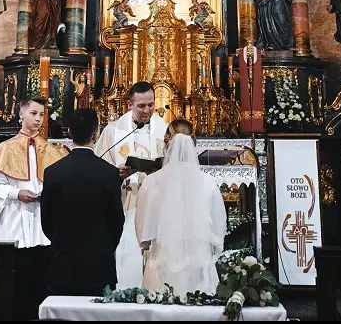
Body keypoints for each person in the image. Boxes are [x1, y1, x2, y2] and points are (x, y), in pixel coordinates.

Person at [0, 97, 67, 320]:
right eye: (34, 113)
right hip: (15, 220)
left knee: (40, 276)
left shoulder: (51, 150)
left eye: (42, 115)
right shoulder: (4, 149)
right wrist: (16, 193)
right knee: (14, 279)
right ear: (21, 114)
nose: (38, 119)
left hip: (40, 223)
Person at [40, 109, 125, 297]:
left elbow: (47, 220)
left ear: (69, 132)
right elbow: (117, 221)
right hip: (99, 264)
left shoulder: (53, 172)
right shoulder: (109, 173)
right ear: (96, 134)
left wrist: (62, 241)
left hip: (63, 263)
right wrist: (103, 247)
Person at [95, 81, 169, 289]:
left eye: (151, 105)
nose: (147, 110)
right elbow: (98, 168)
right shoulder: (113, 131)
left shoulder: (164, 131)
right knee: (127, 253)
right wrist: (115, 173)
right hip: (126, 203)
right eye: (141, 106)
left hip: (156, 204)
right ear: (130, 105)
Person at [135, 133, 227, 296]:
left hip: (163, 254)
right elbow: (219, 221)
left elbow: (142, 220)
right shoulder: (207, 181)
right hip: (198, 257)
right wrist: (213, 246)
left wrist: (144, 242)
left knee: (161, 304)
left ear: (167, 149)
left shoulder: (153, 180)